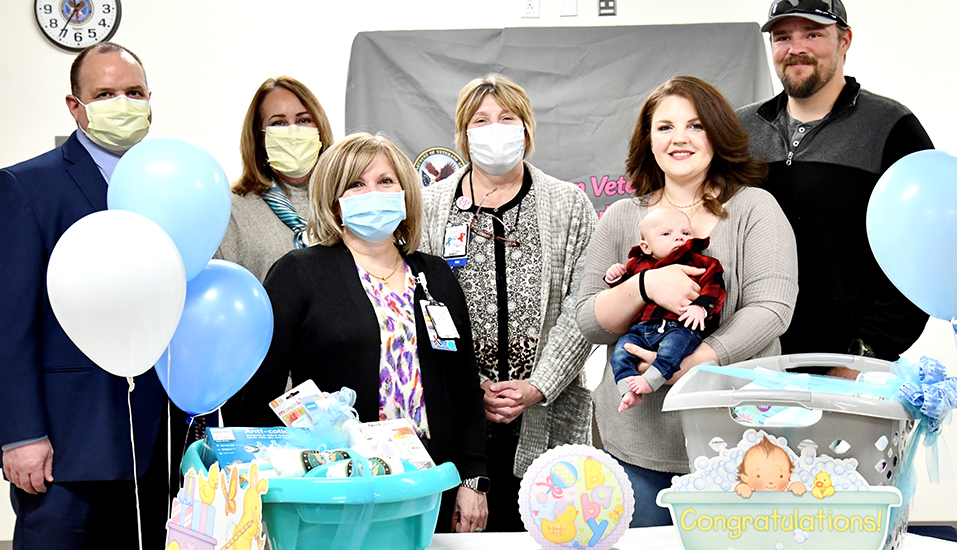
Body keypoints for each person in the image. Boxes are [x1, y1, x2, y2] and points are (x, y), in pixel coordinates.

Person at [227, 133, 489, 534]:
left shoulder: (435, 275)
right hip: (336, 493)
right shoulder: (299, 273)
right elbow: (260, 390)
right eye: (356, 184)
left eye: (385, 181)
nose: (373, 192)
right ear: (335, 200)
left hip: (429, 485)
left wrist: (473, 480)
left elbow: (464, 386)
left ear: (405, 193)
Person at [575, 76, 798, 527]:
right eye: (665, 127)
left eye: (695, 126)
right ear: (648, 140)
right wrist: (643, 287)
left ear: (717, 134)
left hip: (740, 446)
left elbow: (772, 308)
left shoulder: (756, 209)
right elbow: (589, 320)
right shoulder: (621, 218)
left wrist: (692, 361)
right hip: (634, 444)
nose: (679, 138)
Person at [0, 43, 169, 549]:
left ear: (151, 100)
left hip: (157, 444)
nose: (121, 104)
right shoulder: (24, 188)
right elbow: (5, 326)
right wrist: (20, 434)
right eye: (105, 93)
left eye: (133, 92)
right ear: (74, 105)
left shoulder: (170, 190)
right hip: (66, 445)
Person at [421, 74, 596, 532]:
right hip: (458, 416)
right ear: (463, 135)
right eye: (481, 120)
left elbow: (586, 304)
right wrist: (468, 385)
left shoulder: (570, 204)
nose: (495, 129)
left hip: (547, 412)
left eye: (507, 118)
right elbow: (419, 303)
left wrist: (540, 383)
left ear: (527, 129)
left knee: (550, 534)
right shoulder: (430, 206)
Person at [738, 0, 933, 362]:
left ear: (845, 41)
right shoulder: (739, 131)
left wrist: (868, 352)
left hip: (850, 370)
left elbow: (922, 254)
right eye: (782, 37)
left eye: (813, 34)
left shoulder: (891, 128)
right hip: (749, 364)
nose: (796, 48)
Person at [604, 207, 725, 411]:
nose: (678, 238)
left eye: (685, 233)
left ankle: (652, 380)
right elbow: (625, 295)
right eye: (667, 234)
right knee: (621, 351)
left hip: (680, 327)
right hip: (642, 328)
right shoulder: (637, 266)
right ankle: (627, 389)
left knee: (672, 349)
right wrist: (614, 278)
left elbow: (714, 288)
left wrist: (700, 308)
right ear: (646, 246)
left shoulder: (703, 263)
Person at [215, 76, 334, 282]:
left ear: (320, 129)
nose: (293, 131)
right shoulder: (232, 210)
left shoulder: (345, 198)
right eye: (278, 123)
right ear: (260, 138)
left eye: (303, 120)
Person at [734, 438, 807, 498]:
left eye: (780, 476)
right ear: (744, 478)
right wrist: (742, 488)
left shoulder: (784, 497)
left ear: (789, 475)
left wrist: (797, 488)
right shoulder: (747, 491)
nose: (771, 481)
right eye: (758, 476)